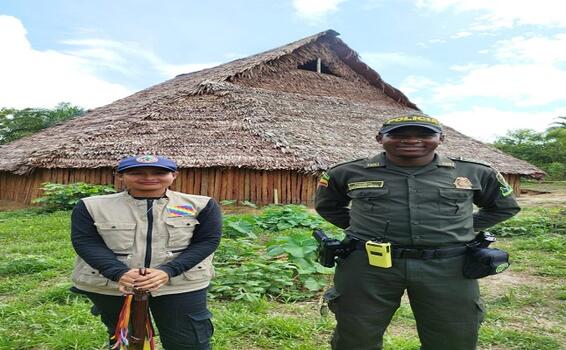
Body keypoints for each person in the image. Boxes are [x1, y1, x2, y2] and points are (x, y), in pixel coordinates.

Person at [315, 115, 520, 350]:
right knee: (356, 335)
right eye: (398, 134)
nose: (411, 140)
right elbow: (328, 206)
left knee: (453, 337)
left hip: (448, 267)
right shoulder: (347, 172)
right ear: (380, 138)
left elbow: (505, 207)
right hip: (369, 266)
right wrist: (365, 229)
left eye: (424, 134)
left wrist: (459, 229)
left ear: (440, 139)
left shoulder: (475, 172)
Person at [70, 155, 222, 349]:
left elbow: (207, 241)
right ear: (120, 176)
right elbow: (86, 242)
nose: (148, 177)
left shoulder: (199, 205)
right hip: (115, 285)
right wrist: (119, 273)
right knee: (126, 340)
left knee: (189, 341)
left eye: (159, 172)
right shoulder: (92, 206)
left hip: (181, 284)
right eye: (136, 172)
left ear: (174, 175)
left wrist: (168, 271)